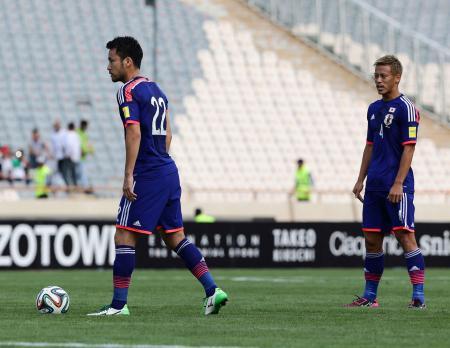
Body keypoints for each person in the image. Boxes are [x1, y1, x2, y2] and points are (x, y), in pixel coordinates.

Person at [87, 36, 228, 316]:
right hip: (168, 170)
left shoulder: (128, 91)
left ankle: (118, 306)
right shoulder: (157, 90)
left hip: (148, 174)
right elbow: (168, 133)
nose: (108, 67)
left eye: (111, 60)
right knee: (175, 237)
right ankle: (213, 290)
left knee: (124, 236)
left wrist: (129, 174)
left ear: (127, 61)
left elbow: (134, 132)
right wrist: (159, 160)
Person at [347, 55, 424, 309]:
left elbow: (409, 149)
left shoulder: (407, 108)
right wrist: (360, 179)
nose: (378, 80)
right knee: (371, 239)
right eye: (376, 76)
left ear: (397, 77)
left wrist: (399, 182)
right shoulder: (373, 109)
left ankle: (418, 298)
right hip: (375, 187)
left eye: (384, 76)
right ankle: (370, 297)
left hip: (396, 186)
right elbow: (369, 146)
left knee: (405, 236)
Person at [76, 119, 94, 193]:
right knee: (81, 173)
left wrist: (90, 150)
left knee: (82, 173)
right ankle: (84, 188)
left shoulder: (84, 134)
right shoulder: (77, 133)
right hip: (77, 157)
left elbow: (88, 145)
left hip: (83, 157)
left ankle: (84, 188)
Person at [63, 122, 81, 190]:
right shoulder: (76, 135)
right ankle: (75, 187)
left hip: (70, 157)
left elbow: (69, 145)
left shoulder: (68, 135)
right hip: (76, 157)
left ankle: (72, 188)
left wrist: (68, 154)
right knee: (75, 173)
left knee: (69, 173)